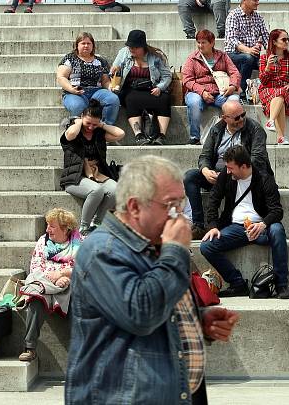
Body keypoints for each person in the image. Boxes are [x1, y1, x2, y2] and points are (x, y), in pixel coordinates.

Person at [66, 155, 239, 405]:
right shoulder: (103, 251)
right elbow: (141, 312)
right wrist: (176, 252)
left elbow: (160, 309)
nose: (179, 217)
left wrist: (197, 321)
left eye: (181, 205)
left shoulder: (158, 246)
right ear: (135, 207)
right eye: (170, 205)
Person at [200, 145, 289, 299]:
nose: (228, 171)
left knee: (277, 230)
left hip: (262, 227)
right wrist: (213, 226)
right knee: (207, 246)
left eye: (231, 168)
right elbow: (213, 200)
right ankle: (238, 284)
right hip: (236, 228)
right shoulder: (226, 175)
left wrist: (263, 224)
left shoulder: (264, 178)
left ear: (243, 166)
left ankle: (281, 284)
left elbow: (277, 210)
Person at [184, 100, 272, 236]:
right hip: (218, 176)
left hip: (242, 177)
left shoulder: (255, 129)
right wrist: (206, 170)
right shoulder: (216, 130)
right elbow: (204, 156)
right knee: (190, 177)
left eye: (243, 114)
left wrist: (229, 173)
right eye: (237, 117)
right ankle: (199, 225)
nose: (242, 119)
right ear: (225, 118)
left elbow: (257, 160)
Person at [18, 208, 81, 363]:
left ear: (65, 228)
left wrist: (64, 274)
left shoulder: (80, 242)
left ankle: (82, 352)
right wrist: (56, 279)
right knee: (35, 298)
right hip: (46, 284)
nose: (47, 229)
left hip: (70, 284)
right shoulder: (43, 242)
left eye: (52, 226)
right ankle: (30, 347)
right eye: (47, 225)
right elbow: (36, 268)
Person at [59, 100, 125, 235]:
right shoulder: (73, 131)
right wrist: (77, 122)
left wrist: (101, 125)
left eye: (94, 124)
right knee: (96, 190)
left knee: (115, 189)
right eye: (88, 123)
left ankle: (97, 223)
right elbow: (70, 135)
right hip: (75, 178)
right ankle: (84, 226)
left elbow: (120, 134)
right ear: (82, 116)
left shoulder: (98, 133)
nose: (90, 127)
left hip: (97, 175)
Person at [110, 29, 172, 145]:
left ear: (143, 47)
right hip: (130, 88)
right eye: (130, 47)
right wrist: (115, 71)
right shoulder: (124, 52)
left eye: (135, 47)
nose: (131, 49)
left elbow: (167, 76)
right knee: (131, 99)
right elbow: (114, 69)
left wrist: (160, 87)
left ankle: (161, 135)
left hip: (151, 87)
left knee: (164, 99)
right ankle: (139, 134)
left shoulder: (156, 56)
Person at [182, 29, 242, 145]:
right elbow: (187, 80)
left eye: (203, 42)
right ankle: (195, 136)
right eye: (198, 42)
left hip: (220, 92)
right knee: (193, 102)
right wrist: (202, 92)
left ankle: (234, 133)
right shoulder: (192, 58)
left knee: (234, 101)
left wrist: (232, 86)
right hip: (197, 92)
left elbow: (235, 73)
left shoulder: (222, 56)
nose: (200, 45)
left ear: (212, 42)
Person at [56, 32, 120, 125]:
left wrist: (111, 87)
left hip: (97, 91)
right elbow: (61, 77)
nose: (86, 46)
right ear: (77, 45)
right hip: (75, 92)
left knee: (113, 99)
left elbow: (105, 81)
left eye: (89, 43)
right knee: (78, 106)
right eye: (83, 43)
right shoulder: (70, 58)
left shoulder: (100, 61)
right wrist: (71, 89)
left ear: (93, 46)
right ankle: (81, 130)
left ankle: (104, 128)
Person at [224, 0, 269, 97]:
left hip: (252, 55)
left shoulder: (258, 17)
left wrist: (274, 53)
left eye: (257, 0)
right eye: (255, 0)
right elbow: (232, 39)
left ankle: (268, 93)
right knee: (247, 58)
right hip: (233, 55)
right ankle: (241, 90)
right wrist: (248, 50)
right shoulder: (233, 15)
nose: (257, 3)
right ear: (244, 0)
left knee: (268, 63)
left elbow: (265, 37)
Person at [259, 29, 289, 145]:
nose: (287, 42)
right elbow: (262, 80)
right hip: (267, 89)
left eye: (288, 39)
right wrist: (268, 67)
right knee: (280, 100)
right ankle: (280, 137)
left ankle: (271, 121)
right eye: (284, 39)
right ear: (274, 42)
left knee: (281, 93)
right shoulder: (264, 58)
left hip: (285, 89)